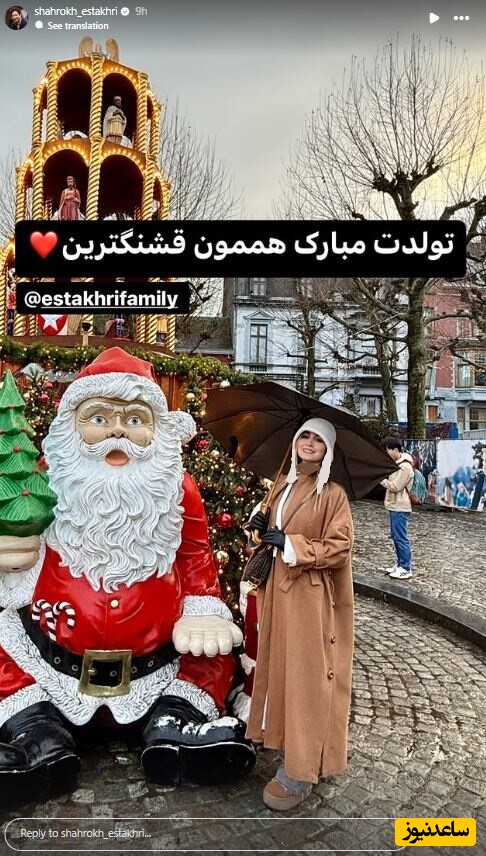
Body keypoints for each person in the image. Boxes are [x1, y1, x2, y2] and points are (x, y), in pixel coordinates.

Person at [0, 348, 254, 805]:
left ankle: (173, 722)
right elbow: (17, 540)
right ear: (72, 425)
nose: (117, 431)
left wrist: (202, 609)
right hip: (52, 657)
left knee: (211, 653)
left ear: (156, 430)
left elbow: (195, 554)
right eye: (98, 418)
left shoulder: (176, 487)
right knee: (5, 646)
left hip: (156, 662)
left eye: (135, 420)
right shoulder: (44, 481)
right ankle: (37, 734)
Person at [245, 418, 354, 811]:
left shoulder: (333, 495)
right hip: (277, 593)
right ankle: (282, 740)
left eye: (317, 439)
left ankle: (302, 769)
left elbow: (339, 547)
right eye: (303, 436)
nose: (308, 443)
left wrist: (292, 543)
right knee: (279, 669)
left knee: (307, 678)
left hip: (309, 598)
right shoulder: (281, 485)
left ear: (328, 449)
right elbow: (266, 540)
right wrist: (259, 528)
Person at [381, 437, 414, 580]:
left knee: (401, 538)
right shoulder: (397, 464)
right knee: (396, 537)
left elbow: (395, 486)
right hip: (395, 505)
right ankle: (400, 564)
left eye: (387, 451)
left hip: (401, 506)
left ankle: (406, 568)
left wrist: (381, 479)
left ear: (395, 450)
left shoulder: (405, 467)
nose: (386, 454)